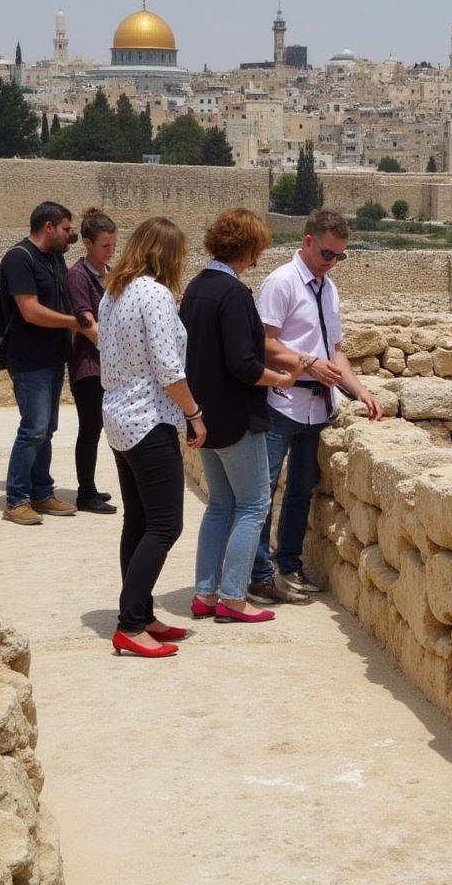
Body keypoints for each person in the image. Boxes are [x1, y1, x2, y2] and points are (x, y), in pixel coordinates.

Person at [249, 209, 382, 602]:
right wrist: (307, 363)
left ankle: (288, 565)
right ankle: (258, 574)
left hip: (319, 406)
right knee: (264, 490)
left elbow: (335, 349)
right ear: (307, 242)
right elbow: (264, 343)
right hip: (281, 402)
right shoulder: (281, 283)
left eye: (339, 256)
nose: (332, 262)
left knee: (301, 491)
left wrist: (359, 391)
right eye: (327, 254)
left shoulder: (329, 287)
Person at [181, 208, 298, 624]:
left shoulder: (196, 288)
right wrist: (282, 379)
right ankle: (233, 597)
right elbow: (243, 364)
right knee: (253, 505)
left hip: (203, 416)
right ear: (247, 249)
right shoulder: (233, 295)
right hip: (235, 417)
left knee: (220, 505)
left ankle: (204, 593)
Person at [98, 216, 205, 658]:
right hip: (149, 420)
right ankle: (128, 624)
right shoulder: (156, 295)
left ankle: (141, 613)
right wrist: (195, 413)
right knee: (165, 525)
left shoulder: (114, 292)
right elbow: (169, 370)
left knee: (138, 521)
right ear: (169, 255)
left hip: (119, 417)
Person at [0, 201, 82, 526]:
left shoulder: (55, 258)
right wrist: (74, 323)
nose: (69, 234)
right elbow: (30, 311)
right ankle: (16, 498)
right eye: (65, 228)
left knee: (46, 430)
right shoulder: (18, 258)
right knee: (33, 429)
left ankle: (41, 491)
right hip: (29, 359)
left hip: (52, 357)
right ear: (48, 226)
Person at [64, 208, 118, 515]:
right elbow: (86, 322)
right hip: (89, 367)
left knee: (98, 428)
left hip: (106, 365)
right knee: (90, 429)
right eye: (105, 246)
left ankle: (90, 488)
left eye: (112, 245)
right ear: (87, 243)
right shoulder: (77, 276)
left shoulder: (105, 273)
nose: (110, 251)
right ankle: (85, 494)